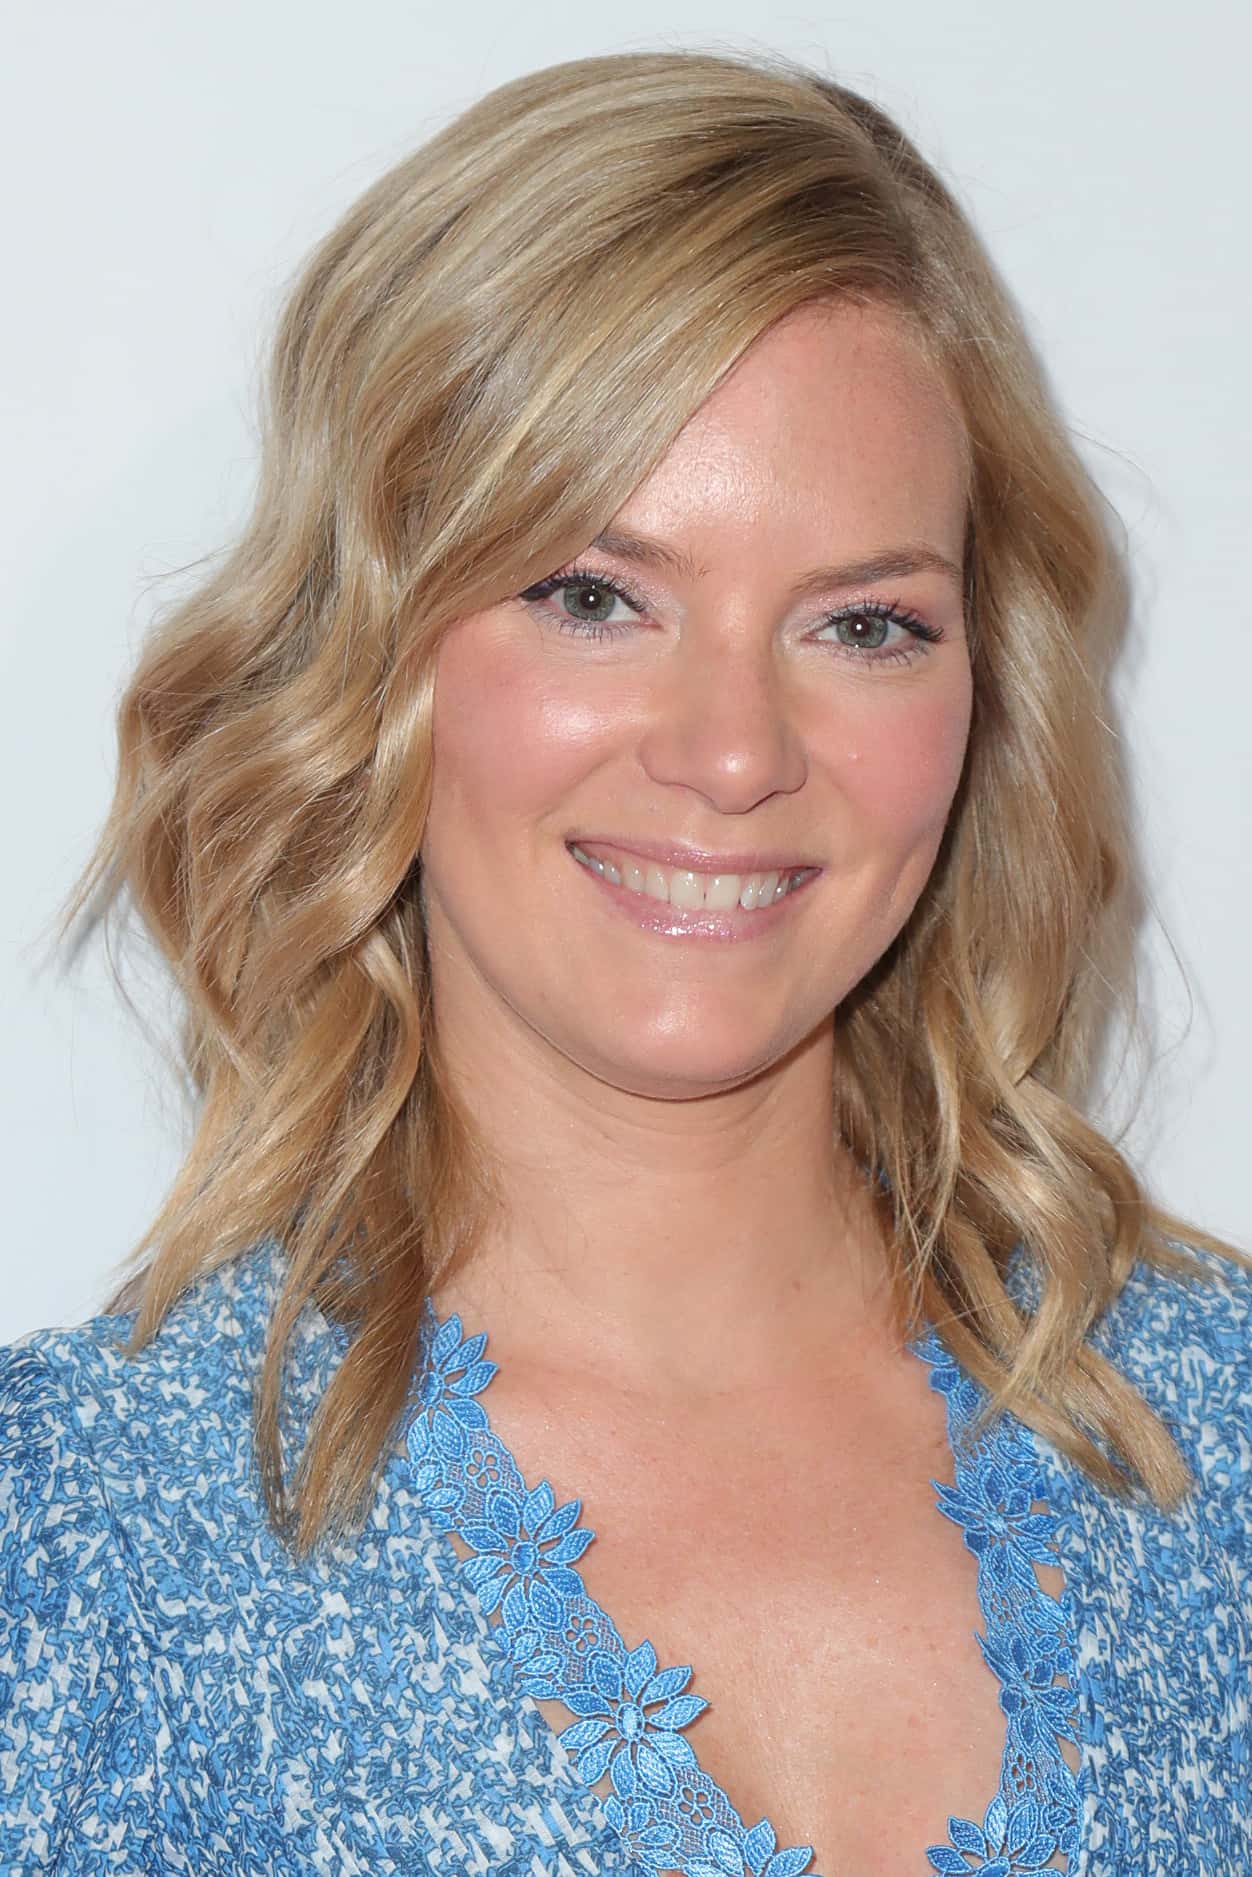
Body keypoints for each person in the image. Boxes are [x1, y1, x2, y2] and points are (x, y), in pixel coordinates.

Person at [1, 44, 1247, 1877]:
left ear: (986, 695)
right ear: (373, 655)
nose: (733, 753)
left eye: (864, 623)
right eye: (595, 597)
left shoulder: (1219, 1442)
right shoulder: (67, 1556)